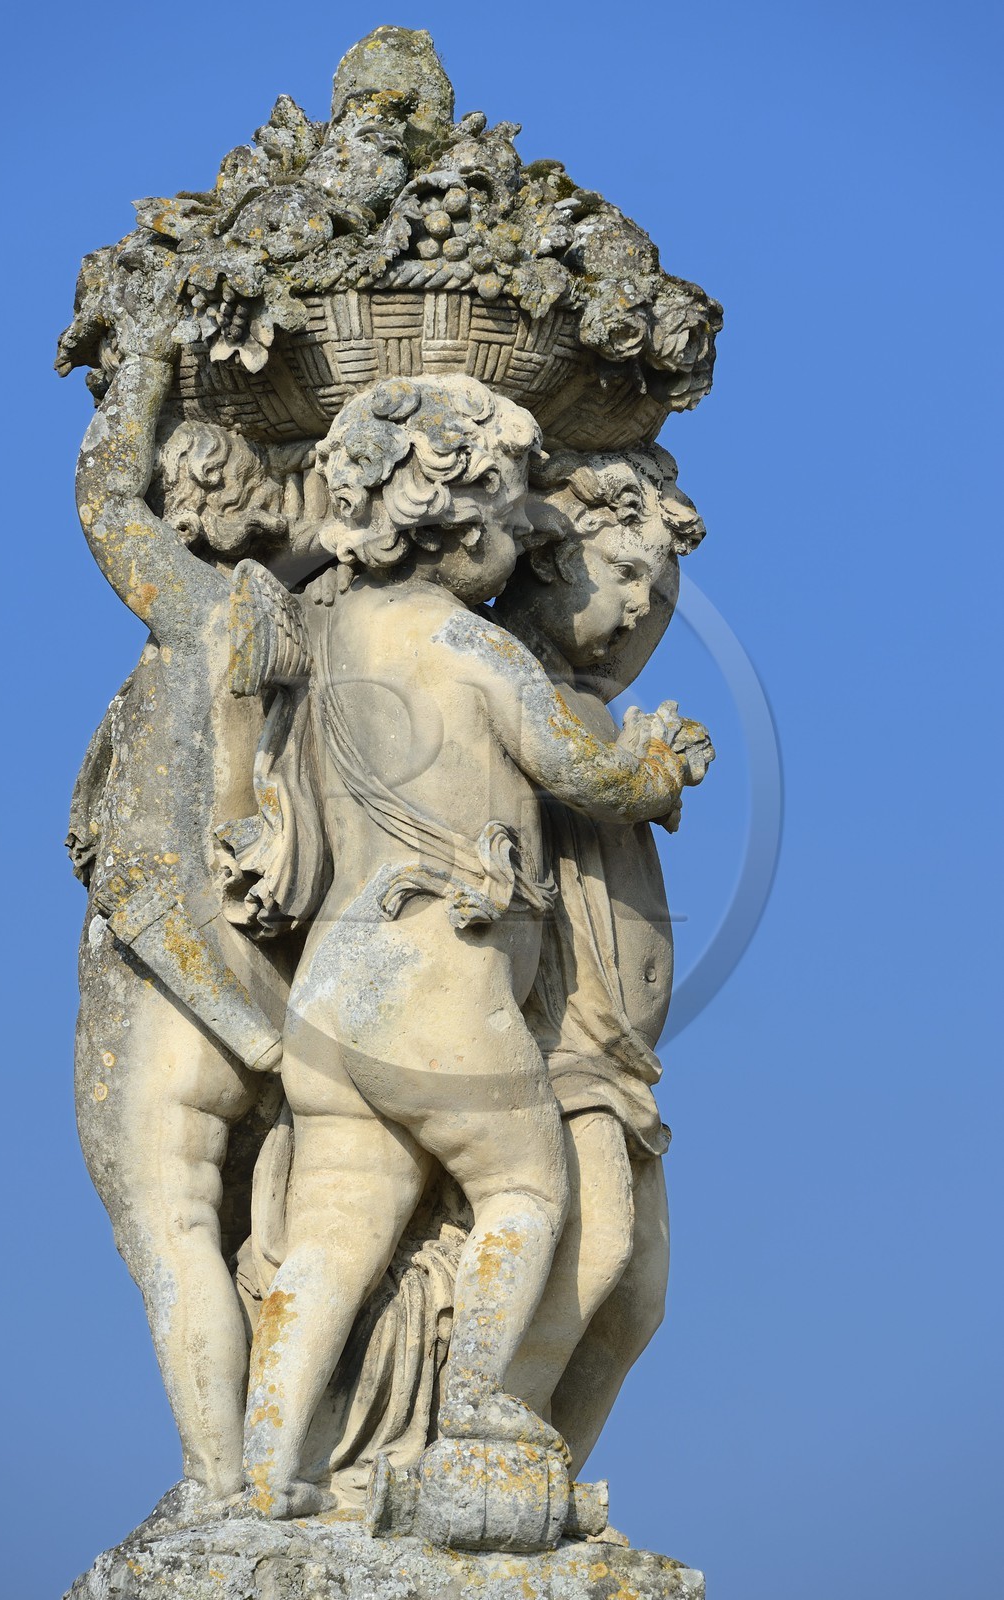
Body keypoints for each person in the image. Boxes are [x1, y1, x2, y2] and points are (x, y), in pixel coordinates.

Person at [237, 376, 710, 1517]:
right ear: (450, 523)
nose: (518, 544)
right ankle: (481, 1404)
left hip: (335, 1000)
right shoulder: (470, 647)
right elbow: (581, 770)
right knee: (525, 1187)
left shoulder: (337, 631)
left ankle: (263, 1470)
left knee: (331, 1239)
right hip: (440, 986)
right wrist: (654, 770)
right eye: (506, 520)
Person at [71, 292, 331, 1524]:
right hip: (267, 982)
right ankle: (280, 1458)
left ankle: (222, 1483)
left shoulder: (205, 613)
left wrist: (147, 356)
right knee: (241, 1231)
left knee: (167, 1222)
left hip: (176, 986)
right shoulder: (300, 628)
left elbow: (100, 504)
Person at [493, 444, 713, 1474]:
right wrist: (651, 772)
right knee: (599, 1249)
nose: (638, 614)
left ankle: (541, 1467)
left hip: (623, 1054)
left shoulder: (589, 703)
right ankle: (483, 1439)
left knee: (638, 1299)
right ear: (548, 557)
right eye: (622, 579)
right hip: (555, 1033)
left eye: (658, 597)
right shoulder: (509, 681)